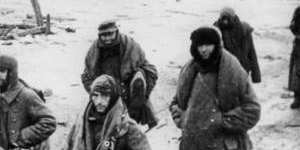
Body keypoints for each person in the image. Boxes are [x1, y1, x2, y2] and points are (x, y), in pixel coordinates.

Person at [169, 27, 261, 150]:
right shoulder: (189, 70)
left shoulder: (232, 69)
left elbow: (252, 110)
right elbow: (175, 103)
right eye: (199, 45)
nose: (203, 49)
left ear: (216, 45)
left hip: (222, 144)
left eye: (208, 44)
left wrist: (221, 121)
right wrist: (184, 120)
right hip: (192, 144)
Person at [81, 20, 158, 129]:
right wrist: (97, 93)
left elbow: (151, 71)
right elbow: (87, 75)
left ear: (116, 32)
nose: (107, 39)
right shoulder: (94, 50)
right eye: (103, 35)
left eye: (110, 34)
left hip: (128, 92)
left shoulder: (130, 46)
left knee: (130, 129)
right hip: (107, 93)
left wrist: (141, 96)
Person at [65, 75, 152, 150]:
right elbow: (66, 147)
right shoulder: (81, 123)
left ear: (113, 98)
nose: (99, 101)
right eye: (95, 95)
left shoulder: (127, 127)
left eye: (105, 96)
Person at [0, 55, 56, 150]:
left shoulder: (26, 95)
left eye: (2, 71)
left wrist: (20, 138)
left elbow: (49, 122)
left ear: (11, 73)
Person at [214, 7, 261, 83]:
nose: (225, 21)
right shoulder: (216, 30)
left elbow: (252, 53)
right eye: (223, 19)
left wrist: (256, 76)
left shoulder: (244, 29)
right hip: (224, 71)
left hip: (242, 70)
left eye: (227, 18)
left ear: (233, 18)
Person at [288, 6, 300, 109]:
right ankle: (297, 98)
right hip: (298, 46)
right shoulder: (298, 10)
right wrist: (298, 34)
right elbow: (292, 25)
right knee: (297, 72)